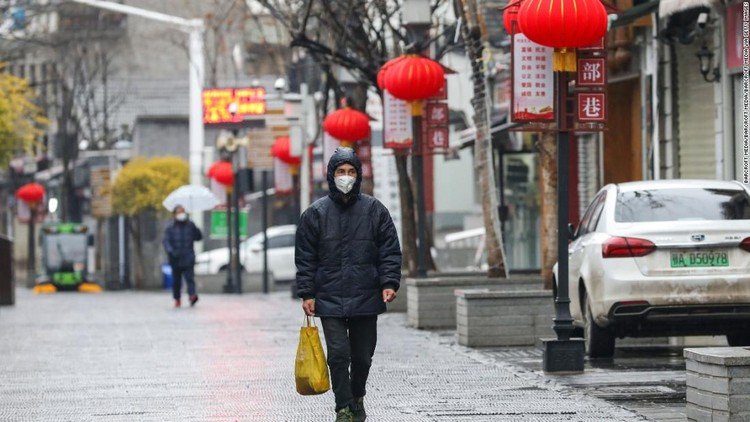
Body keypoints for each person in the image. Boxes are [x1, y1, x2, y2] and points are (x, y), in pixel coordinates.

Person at [295, 147, 402, 422]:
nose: (346, 177)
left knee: (363, 356)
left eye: (351, 171)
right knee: (339, 355)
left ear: (359, 174)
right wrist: (307, 292)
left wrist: (389, 282)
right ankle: (343, 407)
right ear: (331, 175)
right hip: (329, 297)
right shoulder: (315, 214)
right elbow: (305, 257)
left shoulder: (374, 210)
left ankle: (357, 395)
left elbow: (389, 250)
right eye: (341, 172)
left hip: (365, 294)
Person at [163, 205, 203, 308]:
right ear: (175, 214)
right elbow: (166, 241)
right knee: (177, 280)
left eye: (183, 212)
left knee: (190, 278)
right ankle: (177, 298)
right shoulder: (170, 227)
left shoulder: (190, 225)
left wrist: (196, 228)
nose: (182, 214)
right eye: (179, 212)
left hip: (188, 256)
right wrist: (171, 251)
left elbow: (198, 237)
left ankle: (192, 296)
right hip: (175, 258)